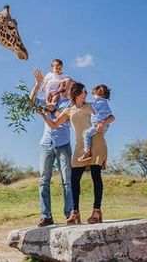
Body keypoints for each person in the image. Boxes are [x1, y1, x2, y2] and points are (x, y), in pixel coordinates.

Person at [37, 82, 114, 225]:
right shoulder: (69, 110)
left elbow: (111, 117)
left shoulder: (92, 106)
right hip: (80, 146)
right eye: (83, 91)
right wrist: (43, 114)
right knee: (74, 179)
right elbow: (54, 125)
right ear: (76, 93)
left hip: (96, 141)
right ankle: (75, 212)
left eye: (86, 91)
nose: (85, 94)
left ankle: (97, 212)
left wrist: (104, 122)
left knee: (95, 176)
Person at [30, 68, 73, 227]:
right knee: (43, 181)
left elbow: (64, 120)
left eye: (65, 83)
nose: (62, 84)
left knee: (67, 181)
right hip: (46, 144)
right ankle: (46, 215)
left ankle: (70, 214)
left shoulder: (70, 104)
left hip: (63, 145)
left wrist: (50, 109)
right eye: (60, 82)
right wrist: (37, 84)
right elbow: (31, 101)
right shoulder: (48, 99)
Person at [78, 84, 112, 162]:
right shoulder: (105, 102)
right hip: (104, 124)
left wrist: (83, 108)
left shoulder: (98, 102)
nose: (93, 96)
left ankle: (87, 151)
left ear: (98, 93)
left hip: (98, 124)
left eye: (93, 94)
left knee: (86, 134)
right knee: (97, 138)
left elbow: (92, 109)